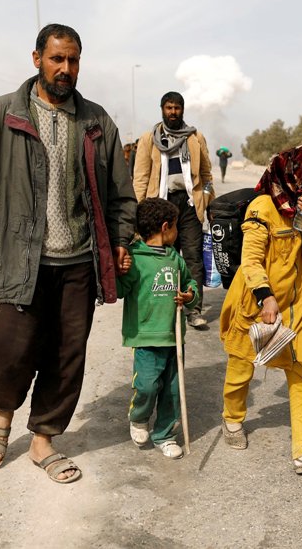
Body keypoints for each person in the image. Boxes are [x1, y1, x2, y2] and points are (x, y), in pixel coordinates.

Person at [0, 24, 136, 484]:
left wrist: (121, 238)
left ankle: (43, 439)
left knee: (67, 355)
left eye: (73, 60)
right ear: (37, 59)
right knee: (8, 347)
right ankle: (1, 413)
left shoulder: (96, 122)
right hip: (15, 258)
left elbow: (120, 192)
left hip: (77, 263)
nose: (65, 68)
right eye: (57, 59)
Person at [218, 145, 302, 474]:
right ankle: (232, 419)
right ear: (292, 176)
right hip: (256, 303)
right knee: (241, 369)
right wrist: (266, 297)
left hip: (297, 306)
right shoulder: (262, 207)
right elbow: (251, 260)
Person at [117, 197, 200, 460]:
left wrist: (190, 296)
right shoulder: (134, 259)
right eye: (176, 226)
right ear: (166, 227)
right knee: (147, 386)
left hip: (173, 337)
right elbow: (119, 291)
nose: (177, 231)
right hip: (145, 337)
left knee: (173, 391)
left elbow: (190, 284)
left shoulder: (175, 258)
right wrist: (120, 271)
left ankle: (164, 435)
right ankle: (139, 418)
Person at [133, 92, 215, 329]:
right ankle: (164, 309)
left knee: (192, 257)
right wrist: (138, 212)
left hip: (189, 205)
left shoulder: (195, 138)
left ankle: (193, 309)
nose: (173, 112)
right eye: (169, 108)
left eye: (177, 108)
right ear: (162, 109)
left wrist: (208, 202)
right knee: (162, 258)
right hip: (161, 205)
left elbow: (207, 174)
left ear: (182, 110)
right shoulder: (149, 139)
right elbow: (141, 178)